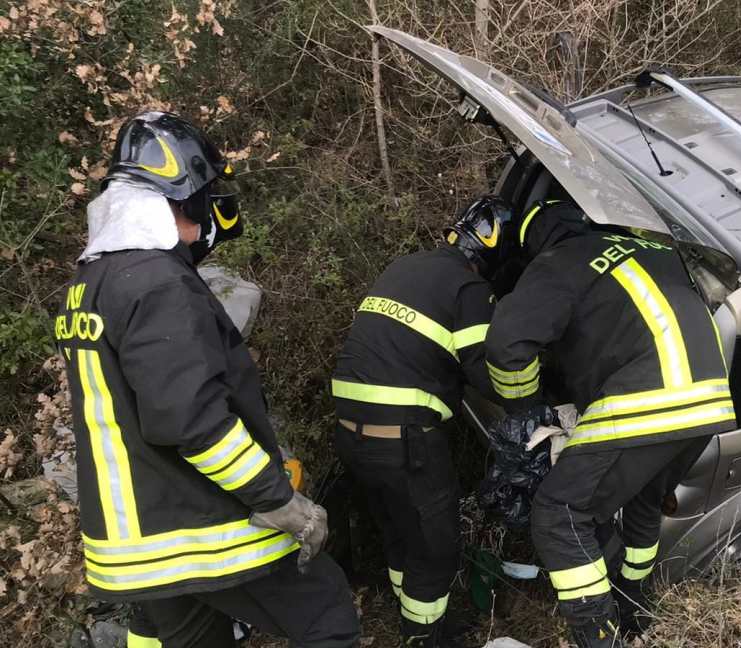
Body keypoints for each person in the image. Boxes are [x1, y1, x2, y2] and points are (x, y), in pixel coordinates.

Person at [56, 112, 360, 648]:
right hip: (194, 528)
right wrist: (277, 499)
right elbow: (192, 420)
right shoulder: (158, 282)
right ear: (185, 198)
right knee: (325, 613)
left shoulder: (91, 282)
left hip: (134, 542)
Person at [485, 201, 737, 647]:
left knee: (559, 513)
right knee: (644, 500)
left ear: (536, 240)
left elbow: (507, 346)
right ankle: (634, 610)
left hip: (650, 398)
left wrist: (526, 410)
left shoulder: (557, 262)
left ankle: (599, 638)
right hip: (710, 400)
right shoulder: (646, 246)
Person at [330, 196, 514, 647]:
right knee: (435, 548)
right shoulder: (470, 291)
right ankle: (423, 637)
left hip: (352, 435)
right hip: (406, 442)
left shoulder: (408, 267)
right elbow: (489, 376)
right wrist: (536, 394)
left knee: (400, 533)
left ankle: (417, 619)